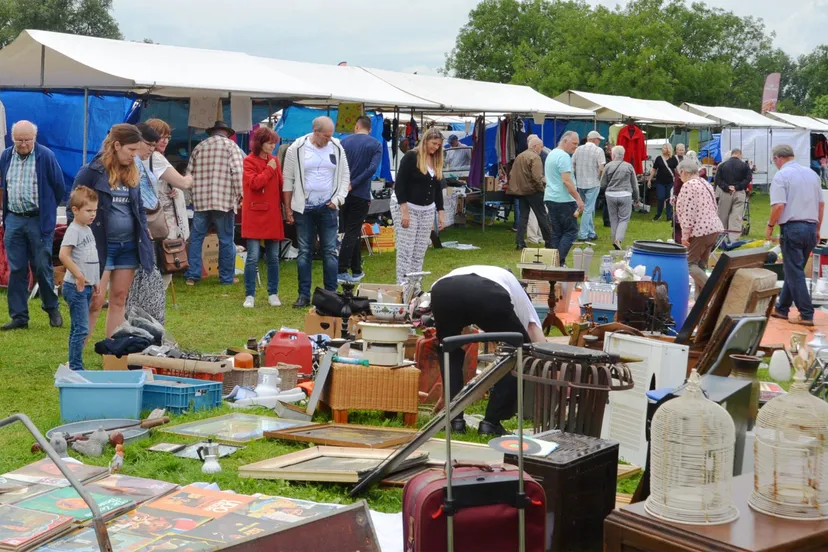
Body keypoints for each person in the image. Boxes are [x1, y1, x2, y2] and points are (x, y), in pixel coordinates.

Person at [430, 265, 547, 436]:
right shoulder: (516, 289)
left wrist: (445, 396)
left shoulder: (470, 271)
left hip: (443, 291)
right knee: (518, 352)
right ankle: (491, 423)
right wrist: (548, 360)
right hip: (488, 294)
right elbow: (532, 330)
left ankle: (454, 420)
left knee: (449, 349)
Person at [71, 124, 153, 338]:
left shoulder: (132, 171)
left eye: (137, 150)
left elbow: (138, 207)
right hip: (100, 246)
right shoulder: (92, 171)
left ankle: (112, 356)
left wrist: (144, 232)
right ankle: (76, 359)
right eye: (131, 150)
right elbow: (75, 206)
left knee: (119, 299)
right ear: (117, 145)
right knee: (95, 302)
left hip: (128, 246)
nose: (134, 155)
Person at [0, 120, 65, 331]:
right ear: (12, 138)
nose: (23, 144)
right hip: (14, 219)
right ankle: (19, 317)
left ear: (35, 138)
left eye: (27, 139)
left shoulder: (45, 156)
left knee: (41, 266)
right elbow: (4, 185)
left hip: (38, 219)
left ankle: (51, 307)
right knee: (17, 269)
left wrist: (46, 211)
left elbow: (58, 188)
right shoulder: (6, 156)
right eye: (19, 140)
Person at [282, 116, 350, 308]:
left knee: (330, 251)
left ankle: (331, 293)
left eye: (331, 135)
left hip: (328, 207)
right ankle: (303, 295)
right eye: (326, 136)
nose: (329, 139)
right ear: (315, 131)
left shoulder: (337, 147)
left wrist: (337, 200)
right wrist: (288, 208)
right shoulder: (296, 148)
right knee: (304, 252)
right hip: (304, 208)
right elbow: (288, 179)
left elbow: (345, 176)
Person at [767, 144, 825, 327]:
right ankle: (782, 308)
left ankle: (806, 313)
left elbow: (778, 206)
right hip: (810, 225)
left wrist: (770, 225)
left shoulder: (781, 175)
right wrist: (817, 229)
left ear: (778, 158)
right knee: (795, 269)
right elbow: (821, 205)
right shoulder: (812, 174)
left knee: (795, 272)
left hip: (793, 227)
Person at [184, 120, 244, 287]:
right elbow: (238, 172)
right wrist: (241, 195)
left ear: (212, 132)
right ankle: (226, 278)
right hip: (223, 200)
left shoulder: (199, 147)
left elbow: (189, 175)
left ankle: (192, 276)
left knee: (196, 238)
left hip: (201, 200)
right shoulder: (231, 147)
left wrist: (191, 198)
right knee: (225, 239)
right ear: (226, 132)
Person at [392, 127, 446, 286]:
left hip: (426, 209)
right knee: (406, 250)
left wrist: (441, 211)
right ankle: (403, 285)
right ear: (426, 140)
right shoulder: (411, 157)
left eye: (438, 145)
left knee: (420, 250)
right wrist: (404, 212)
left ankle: (415, 286)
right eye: (434, 143)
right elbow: (399, 185)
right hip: (406, 205)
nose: (435, 147)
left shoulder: (436, 160)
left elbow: (437, 189)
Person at [124, 123, 167, 324]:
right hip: (137, 226)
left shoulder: (142, 162)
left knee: (146, 275)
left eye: (153, 145)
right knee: (138, 277)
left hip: (144, 223)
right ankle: (137, 318)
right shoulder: (132, 163)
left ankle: (142, 318)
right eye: (148, 144)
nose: (151, 148)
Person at [58, 186, 101, 370]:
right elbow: (63, 255)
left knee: (78, 328)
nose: (93, 214)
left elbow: (92, 257)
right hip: (75, 287)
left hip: (88, 286)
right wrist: (79, 275)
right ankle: (75, 366)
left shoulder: (87, 229)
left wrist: (96, 280)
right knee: (81, 329)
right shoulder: (74, 230)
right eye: (88, 210)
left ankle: (73, 364)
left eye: (95, 210)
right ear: (75, 210)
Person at [241, 126, 284, 309]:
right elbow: (255, 184)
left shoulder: (275, 160)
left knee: (273, 257)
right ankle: (249, 294)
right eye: (269, 142)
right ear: (260, 143)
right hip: (254, 213)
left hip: (272, 214)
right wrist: (268, 168)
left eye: (274, 142)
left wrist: (287, 209)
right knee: (252, 256)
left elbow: (281, 186)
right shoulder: (249, 161)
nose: (273, 145)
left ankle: (273, 293)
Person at [339, 115, 382, 282]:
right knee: (352, 231)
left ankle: (356, 269)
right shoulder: (375, 144)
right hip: (361, 193)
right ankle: (341, 269)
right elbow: (372, 169)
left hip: (344, 193)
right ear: (369, 129)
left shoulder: (343, 143)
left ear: (356, 127)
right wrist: (354, 183)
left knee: (350, 231)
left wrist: (346, 184)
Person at [674, 159, 724, 298]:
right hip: (713, 228)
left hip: (701, 230)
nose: (679, 177)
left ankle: (713, 290)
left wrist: (685, 236)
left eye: (679, 174)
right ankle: (700, 300)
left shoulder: (689, 186)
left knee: (690, 264)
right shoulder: (705, 183)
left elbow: (688, 213)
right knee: (701, 265)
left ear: (684, 172)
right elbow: (714, 205)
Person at [544, 130, 584, 266]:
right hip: (564, 200)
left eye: (577, 144)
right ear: (565, 141)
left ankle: (553, 262)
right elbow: (566, 181)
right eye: (574, 143)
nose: (576, 147)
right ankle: (558, 261)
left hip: (550, 197)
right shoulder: (564, 156)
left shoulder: (551, 154)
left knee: (557, 232)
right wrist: (578, 199)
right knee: (571, 231)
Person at [508, 136, 553, 250]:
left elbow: (513, 174)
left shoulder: (520, 156)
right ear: (535, 146)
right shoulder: (535, 157)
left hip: (521, 192)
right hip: (533, 191)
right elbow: (537, 177)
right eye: (540, 146)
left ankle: (519, 242)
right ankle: (549, 242)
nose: (541, 149)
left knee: (523, 217)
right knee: (542, 216)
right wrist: (542, 189)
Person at [601, 145, 640, 250]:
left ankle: (615, 241)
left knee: (613, 219)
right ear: (623, 155)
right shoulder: (628, 166)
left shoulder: (608, 166)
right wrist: (637, 198)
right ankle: (618, 239)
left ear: (613, 155)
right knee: (624, 219)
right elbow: (635, 185)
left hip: (610, 195)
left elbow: (603, 183)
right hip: (625, 194)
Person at [572, 130, 606, 241]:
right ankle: (583, 234)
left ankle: (591, 232)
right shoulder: (598, 150)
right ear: (595, 139)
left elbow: (573, 165)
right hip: (593, 183)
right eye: (599, 140)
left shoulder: (578, 149)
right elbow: (601, 168)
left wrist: (577, 175)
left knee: (589, 208)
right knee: (588, 209)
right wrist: (599, 177)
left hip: (580, 183)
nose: (599, 142)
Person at [715, 148, 752, 241]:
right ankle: (733, 238)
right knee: (736, 216)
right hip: (739, 193)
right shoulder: (745, 166)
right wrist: (738, 187)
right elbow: (748, 179)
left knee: (723, 215)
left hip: (725, 193)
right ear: (740, 154)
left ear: (731, 154)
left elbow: (718, 180)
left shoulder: (722, 165)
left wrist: (727, 187)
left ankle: (721, 237)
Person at [647, 143, 677, 222]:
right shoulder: (658, 158)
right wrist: (650, 179)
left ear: (668, 150)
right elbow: (654, 169)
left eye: (665, 148)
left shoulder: (673, 159)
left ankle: (669, 216)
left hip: (670, 182)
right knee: (660, 198)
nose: (663, 149)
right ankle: (658, 214)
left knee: (669, 199)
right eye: (662, 147)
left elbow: (677, 170)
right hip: (660, 182)